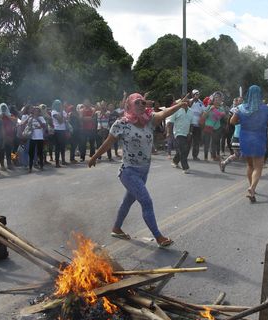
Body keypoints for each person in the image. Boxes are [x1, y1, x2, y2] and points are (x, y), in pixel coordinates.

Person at [88, 93, 189, 248]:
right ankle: (159, 237)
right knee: (146, 201)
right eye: (138, 102)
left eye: (143, 102)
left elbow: (164, 113)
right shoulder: (121, 123)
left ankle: (116, 228)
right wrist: (94, 157)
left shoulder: (149, 121)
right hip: (128, 172)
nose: (142, 105)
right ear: (129, 105)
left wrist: (180, 105)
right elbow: (108, 143)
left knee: (128, 201)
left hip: (144, 171)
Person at [230, 85, 268, 202]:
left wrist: (243, 120)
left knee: (250, 165)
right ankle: (252, 187)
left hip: (245, 138)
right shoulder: (265, 108)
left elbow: (232, 121)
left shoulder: (241, 107)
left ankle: (252, 190)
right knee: (258, 166)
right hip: (259, 137)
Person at [168, 97, 193, 173]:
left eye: (187, 101)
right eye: (184, 101)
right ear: (181, 102)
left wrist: (190, 133)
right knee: (183, 150)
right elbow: (171, 123)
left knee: (185, 150)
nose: (186, 102)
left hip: (187, 134)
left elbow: (191, 124)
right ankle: (185, 168)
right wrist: (170, 133)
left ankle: (175, 161)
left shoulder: (191, 111)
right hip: (178, 133)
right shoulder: (176, 110)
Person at [201, 92, 226, 161]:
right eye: (216, 98)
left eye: (219, 98)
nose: (217, 99)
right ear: (213, 99)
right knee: (207, 142)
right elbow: (204, 116)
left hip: (217, 127)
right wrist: (210, 110)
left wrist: (215, 110)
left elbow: (222, 115)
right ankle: (206, 157)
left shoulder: (221, 108)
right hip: (208, 126)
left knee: (214, 142)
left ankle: (213, 156)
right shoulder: (209, 106)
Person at [22, 106, 46, 172]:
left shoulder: (41, 118)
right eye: (34, 111)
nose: (35, 112)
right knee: (31, 152)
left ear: (39, 112)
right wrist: (30, 119)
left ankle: (41, 166)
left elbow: (44, 126)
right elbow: (26, 124)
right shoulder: (31, 118)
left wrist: (37, 119)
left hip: (40, 137)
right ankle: (30, 167)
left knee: (40, 152)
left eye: (37, 111)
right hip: (32, 137)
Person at [188, 89, 206, 160]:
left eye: (198, 94)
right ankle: (185, 154)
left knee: (196, 141)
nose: (197, 95)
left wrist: (202, 119)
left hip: (198, 125)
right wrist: (193, 100)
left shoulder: (200, 102)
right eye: (195, 94)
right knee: (188, 141)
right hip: (190, 124)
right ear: (192, 95)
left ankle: (195, 155)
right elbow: (189, 106)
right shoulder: (189, 101)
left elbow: (204, 111)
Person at [51, 99, 69, 167]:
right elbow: (61, 121)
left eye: (60, 104)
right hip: (57, 130)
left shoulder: (63, 111)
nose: (59, 106)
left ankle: (63, 161)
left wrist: (63, 118)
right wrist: (63, 116)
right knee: (57, 147)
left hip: (63, 130)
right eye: (58, 104)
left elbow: (66, 119)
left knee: (63, 147)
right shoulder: (53, 112)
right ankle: (57, 163)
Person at [0, 103, 16, 170]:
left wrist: (7, 115)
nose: (3, 109)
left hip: (10, 136)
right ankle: (2, 165)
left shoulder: (10, 115)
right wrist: (1, 116)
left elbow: (15, 121)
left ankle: (10, 163)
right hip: (1, 136)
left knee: (10, 151)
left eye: (4, 107)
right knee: (1, 151)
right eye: (2, 107)